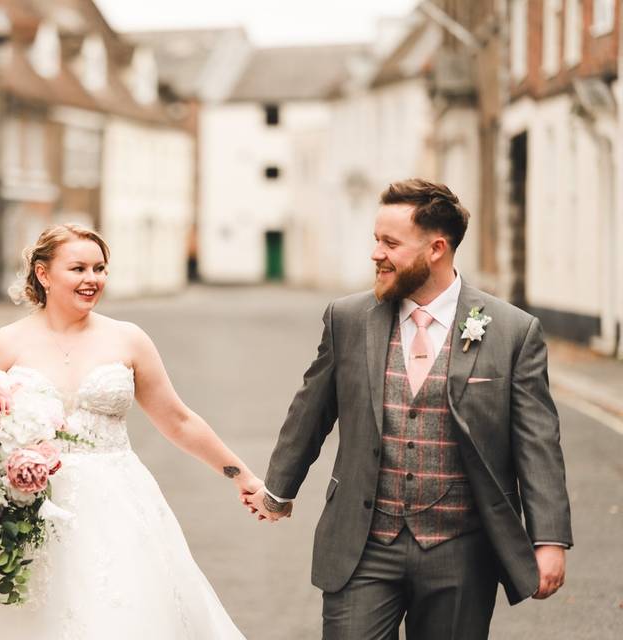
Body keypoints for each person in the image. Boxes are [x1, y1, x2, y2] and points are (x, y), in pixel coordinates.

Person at [245, 179, 572, 639]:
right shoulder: (348, 318)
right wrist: (277, 491)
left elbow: (538, 442)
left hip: (460, 549)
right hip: (362, 546)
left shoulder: (512, 331)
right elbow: (311, 410)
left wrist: (550, 540)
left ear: (436, 248)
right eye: (376, 240)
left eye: (390, 243)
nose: (376, 253)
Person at [0, 223, 255, 639]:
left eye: (100, 269)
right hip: (29, 508)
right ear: (43, 274)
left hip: (118, 503)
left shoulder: (129, 340)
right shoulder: (7, 343)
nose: (92, 280)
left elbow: (178, 420)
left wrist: (241, 475)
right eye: (78, 268)